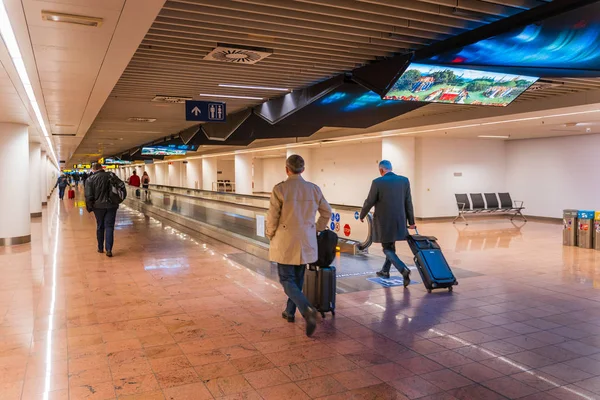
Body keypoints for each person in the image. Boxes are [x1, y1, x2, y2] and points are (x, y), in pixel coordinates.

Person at [266, 155, 332, 337]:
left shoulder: (280, 189)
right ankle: (289, 311)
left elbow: (272, 217)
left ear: (287, 169)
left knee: (287, 280)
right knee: (298, 278)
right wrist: (316, 229)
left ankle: (307, 309)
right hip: (306, 241)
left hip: (286, 241)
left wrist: (270, 233)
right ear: (303, 169)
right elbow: (327, 212)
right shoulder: (314, 189)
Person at [359, 160, 416, 287]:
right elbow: (408, 202)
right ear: (391, 168)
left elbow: (369, 201)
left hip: (384, 221)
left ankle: (403, 269)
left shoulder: (377, 182)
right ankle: (385, 270)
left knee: (386, 249)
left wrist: (362, 214)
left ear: (381, 170)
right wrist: (411, 222)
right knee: (391, 246)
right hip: (399, 221)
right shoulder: (404, 181)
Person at [85, 163, 121, 257]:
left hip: (98, 207)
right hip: (111, 206)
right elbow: (120, 186)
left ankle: (100, 248)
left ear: (93, 170)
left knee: (100, 226)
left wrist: (90, 207)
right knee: (109, 227)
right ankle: (109, 249)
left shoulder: (90, 179)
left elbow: (89, 196)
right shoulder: (111, 175)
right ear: (102, 168)